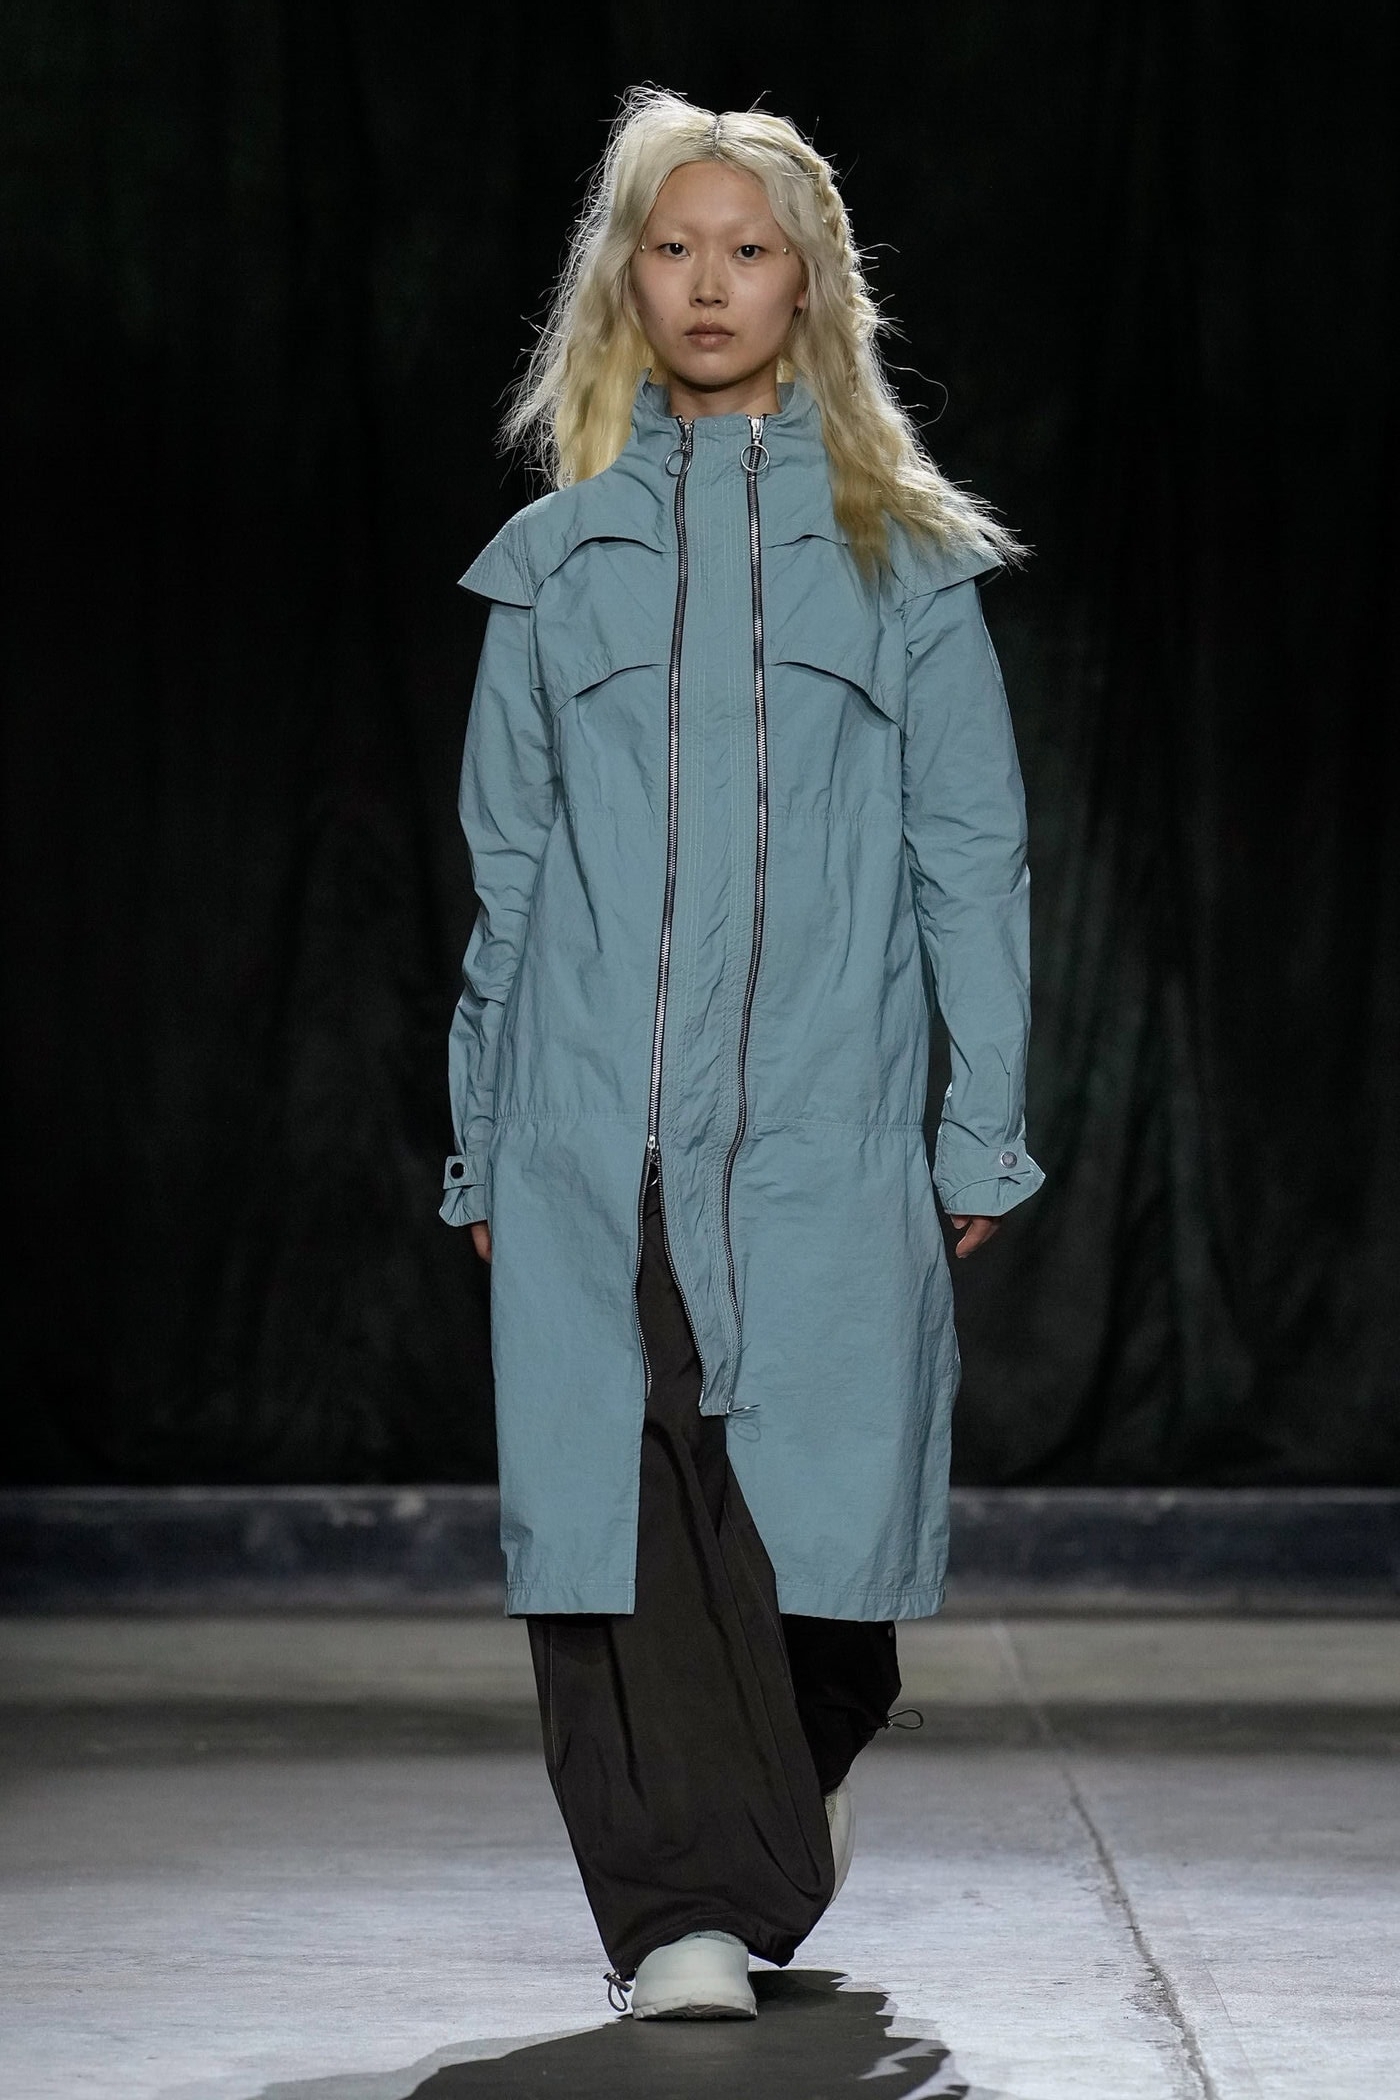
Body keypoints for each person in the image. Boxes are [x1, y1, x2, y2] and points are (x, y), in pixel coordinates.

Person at [438, 85, 1044, 2020]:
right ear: (625, 281)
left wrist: (980, 1123)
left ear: (810, 285)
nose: (710, 283)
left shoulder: (906, 564)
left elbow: (973, 859)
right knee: (620, 1512)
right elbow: (508, 873)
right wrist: (482, 1133)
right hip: (591, 1122)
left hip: (821, 1124)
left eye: (750, 249)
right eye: (673, 247)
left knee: (816, 1533)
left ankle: (785, 1783)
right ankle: (676, 1913)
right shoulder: (553, 566)